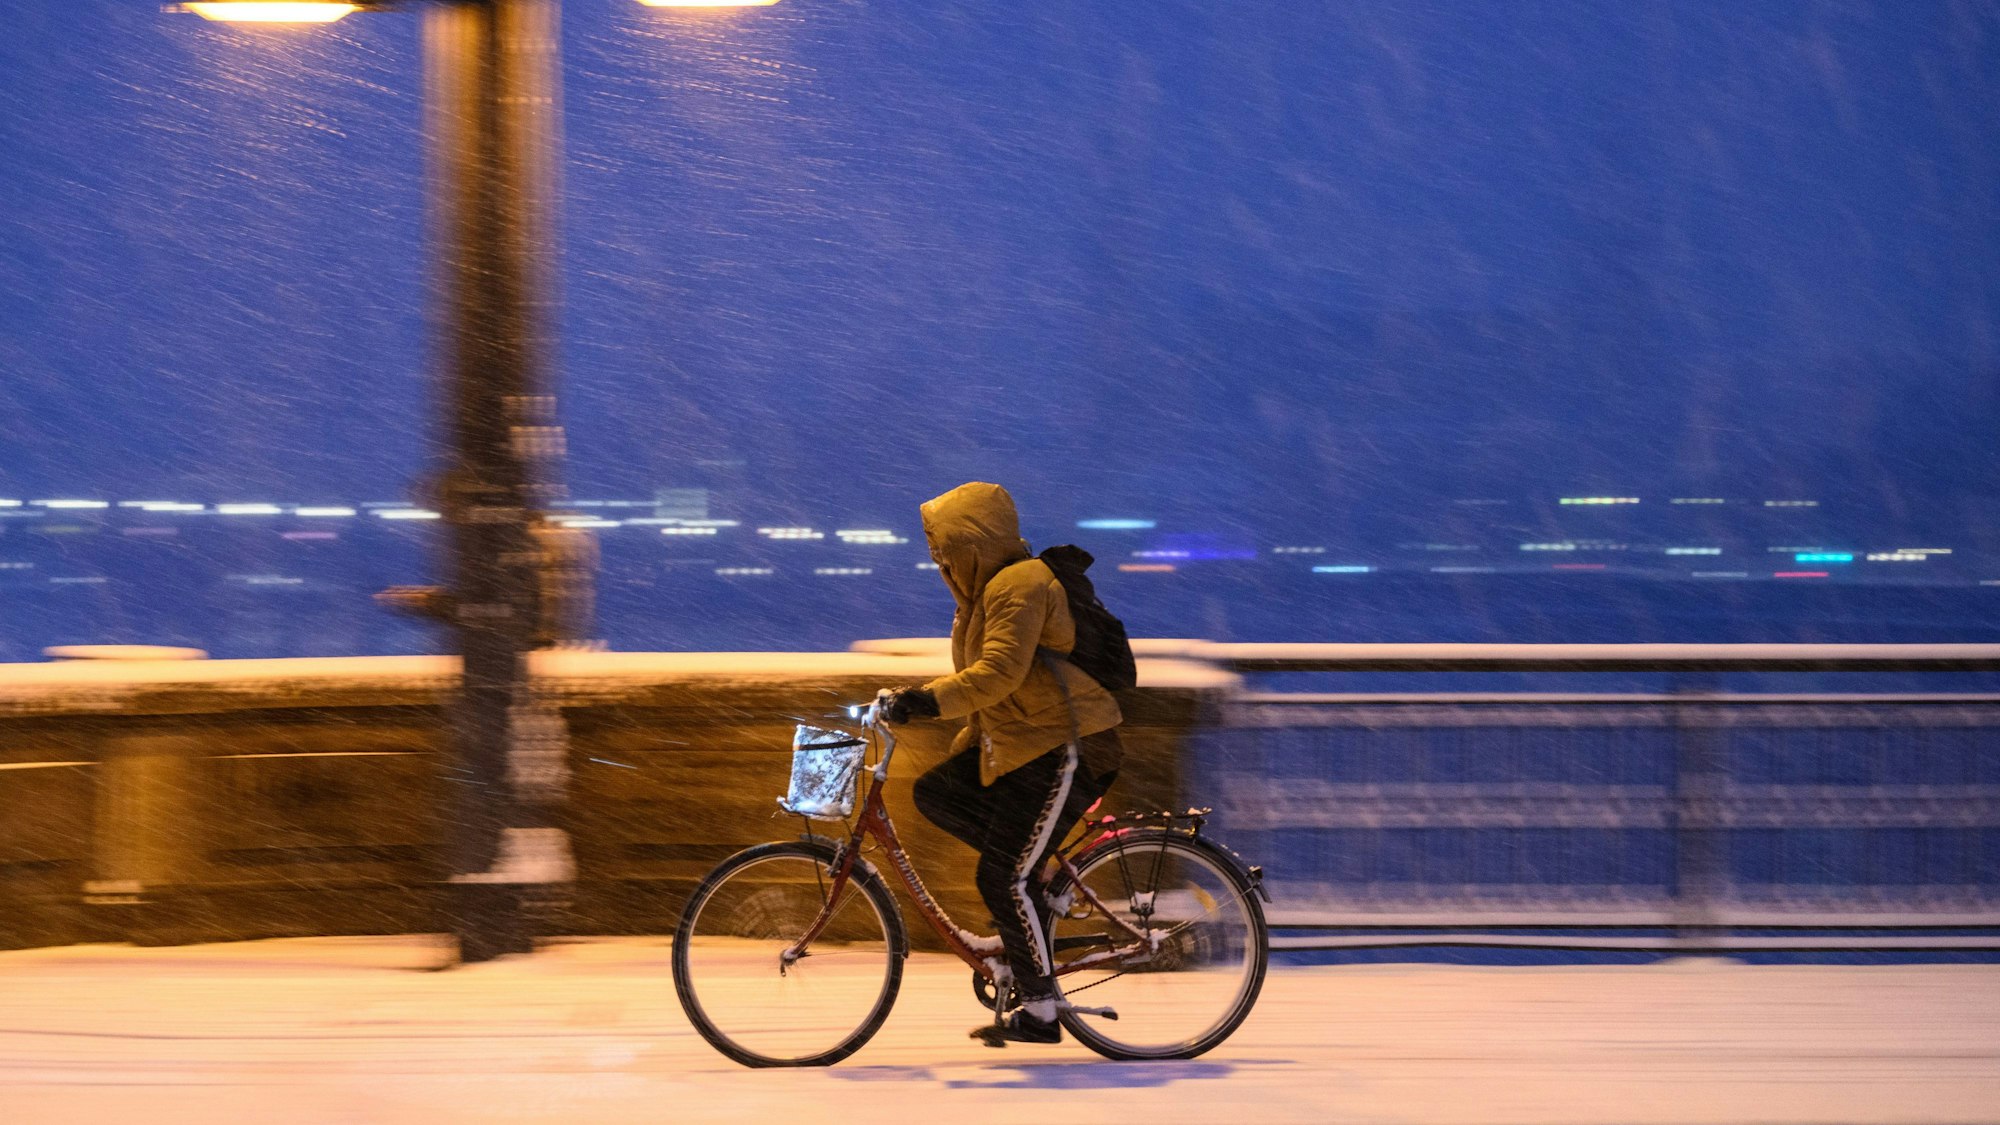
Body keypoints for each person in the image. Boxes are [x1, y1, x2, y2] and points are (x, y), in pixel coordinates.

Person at [879, 481, 1124, 1047]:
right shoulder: (981, 599)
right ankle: (1029, 906)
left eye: (945, 548)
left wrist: (927, 701)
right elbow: (1001, 699)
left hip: (1071, 745)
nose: (939, 561)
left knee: (1001, 874)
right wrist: (967, 739)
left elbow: (998, 675)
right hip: (1026, 743)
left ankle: (1041, 1010)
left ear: (974, 543)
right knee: (937, 792)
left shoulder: (1020, 585)